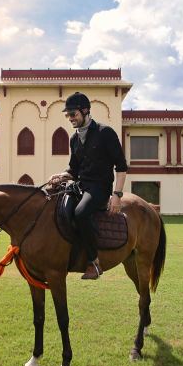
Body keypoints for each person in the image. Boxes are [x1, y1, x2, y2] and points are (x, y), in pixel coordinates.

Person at [49, 92, 128, 280]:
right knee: (59, 208)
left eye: (73, 114)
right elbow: (73, 170)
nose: (70, 119)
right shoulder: (74, 139)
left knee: (81, 212)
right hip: (80, 185)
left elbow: (122, 166)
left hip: (100, 188)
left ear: (85, 111)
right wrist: (61, 176)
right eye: (68, 115)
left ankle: (94, 261)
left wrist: (117, 195)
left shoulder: (105, 133)